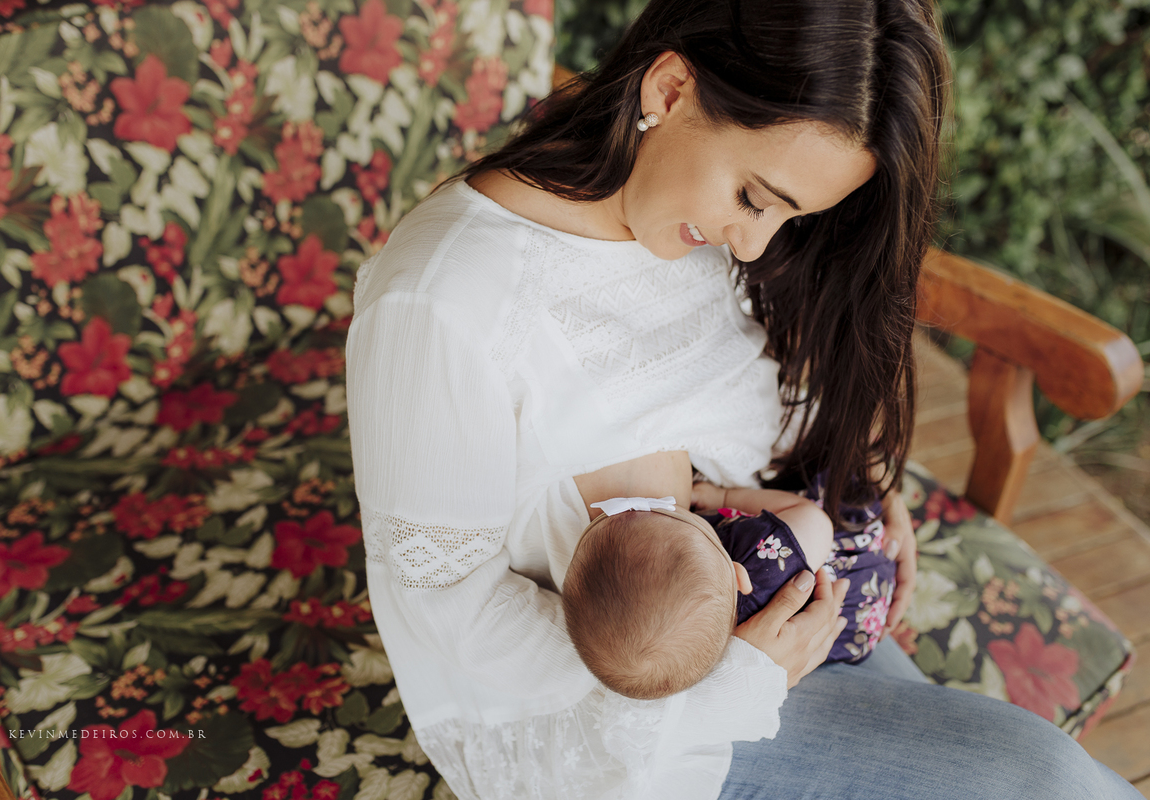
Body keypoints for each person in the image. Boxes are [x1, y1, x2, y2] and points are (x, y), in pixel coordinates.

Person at [344, 0, 1143, 796]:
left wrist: (857, 471)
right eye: (756, 199)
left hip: (771, 593)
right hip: (628, 707)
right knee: (1044, 777)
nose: (754, 243)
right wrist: (734, 678)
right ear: (667, 91)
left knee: (1030, 771)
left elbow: (729, 390)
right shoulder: (445, 300)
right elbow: (446, 610)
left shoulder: (677, 214)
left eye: (791, 216)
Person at [561, 468, 894, 702]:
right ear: (739, 575)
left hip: (854, 636)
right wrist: (724, 495)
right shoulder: (761, 553)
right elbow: (814, 520)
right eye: (666, 512)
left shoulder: (696, 651)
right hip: (859, 577)